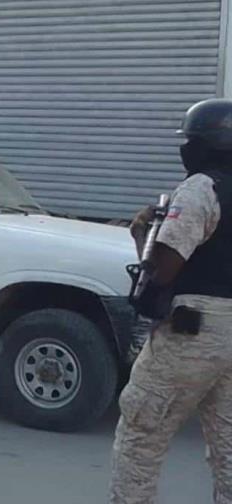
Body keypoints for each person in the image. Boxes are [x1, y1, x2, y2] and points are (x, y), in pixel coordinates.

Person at [110, 98, 232, 503]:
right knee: (228, 443)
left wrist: (143, 232)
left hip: (194, 329)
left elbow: (164, 268)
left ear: (205, 145)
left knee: (142, 430)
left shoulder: (201, 187)